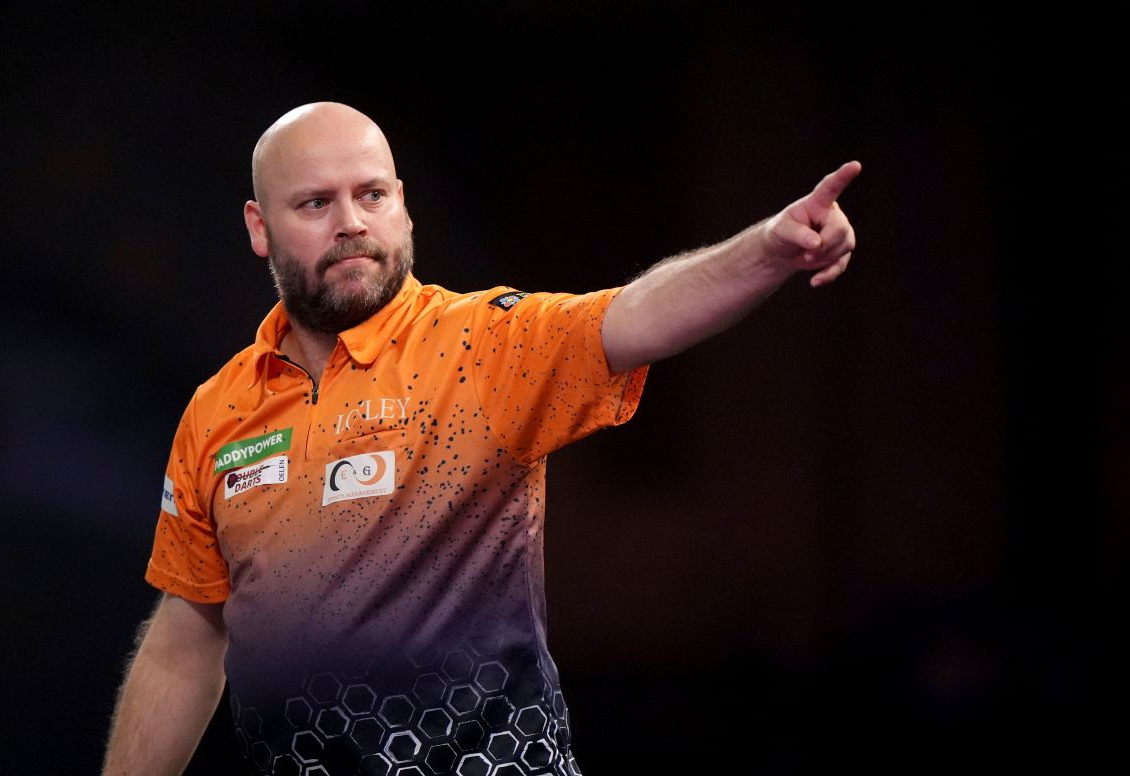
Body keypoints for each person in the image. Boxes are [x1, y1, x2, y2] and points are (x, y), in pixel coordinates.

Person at [103, 102, 859, 776]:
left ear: (402, 206)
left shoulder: (482, 345)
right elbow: (186, 639)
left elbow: (635, 316)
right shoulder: (218, 412)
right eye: (315, 203)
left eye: (371, 194)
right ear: (259, 228)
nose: (351, 222)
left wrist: (767, 249)